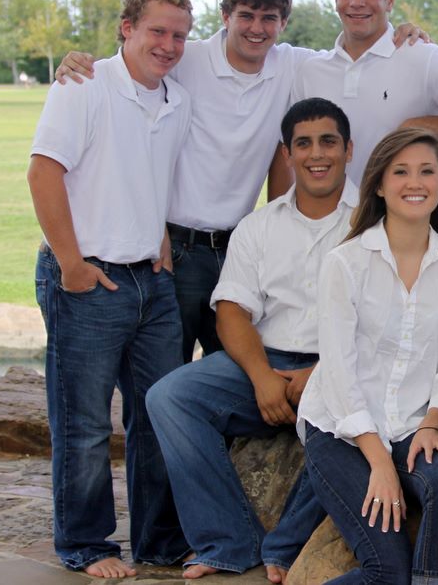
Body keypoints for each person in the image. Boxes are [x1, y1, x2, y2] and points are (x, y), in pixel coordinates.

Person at [54, 0, 426, 363]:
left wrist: (403, 35)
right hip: (174, 247)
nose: (257, 28)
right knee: (165, 371)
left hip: (239, 247)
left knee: (239, 365)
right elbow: (134, 61)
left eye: (269, 18)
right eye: (246, 15)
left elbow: (352, 59)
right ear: (225, 16)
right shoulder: (185, 57)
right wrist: (78, 63)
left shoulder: (292, 65)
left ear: (284, 23)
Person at [145, 98, 358, 581]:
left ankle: (284, 547)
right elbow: (231, 312)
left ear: (348, 150)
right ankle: (228, 542)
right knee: (170, 397)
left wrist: (322, 373)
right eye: (303, 144)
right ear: (287, 154)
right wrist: (262, 377)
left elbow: (386, 322)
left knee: (361, 423)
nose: (316, 154)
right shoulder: (258, 226)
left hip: (343, 364)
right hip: (268, 358)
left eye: (328, 142)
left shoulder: (373, 221)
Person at [28, 0, 194, 579]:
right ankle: (85, 543)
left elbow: (150, 177)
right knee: (85, 423)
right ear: (127, 28)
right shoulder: (84, 85)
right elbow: (43, 173)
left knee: (159, 416)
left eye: (179, 34)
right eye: (157, 30)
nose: (168, 44)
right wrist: (71, 264)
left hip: (152, 282)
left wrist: (160, 239)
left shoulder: (178, 100)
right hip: (88, 279)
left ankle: (157, 540)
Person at [297, 127, 438, 584]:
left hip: (415, 425)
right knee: (387, 573)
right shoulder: (345, 263)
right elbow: (338, 373)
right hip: (341, 431)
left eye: (426, 172)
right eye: (400, 172)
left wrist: (432, 424)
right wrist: (379, 461)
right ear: (379, 184)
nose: (414, 183)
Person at [293, 0, 438, 186]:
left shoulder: (426, 59)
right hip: (328, 211)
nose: (357, 2)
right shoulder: (311, 71)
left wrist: (418, 127)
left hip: (400, 209)